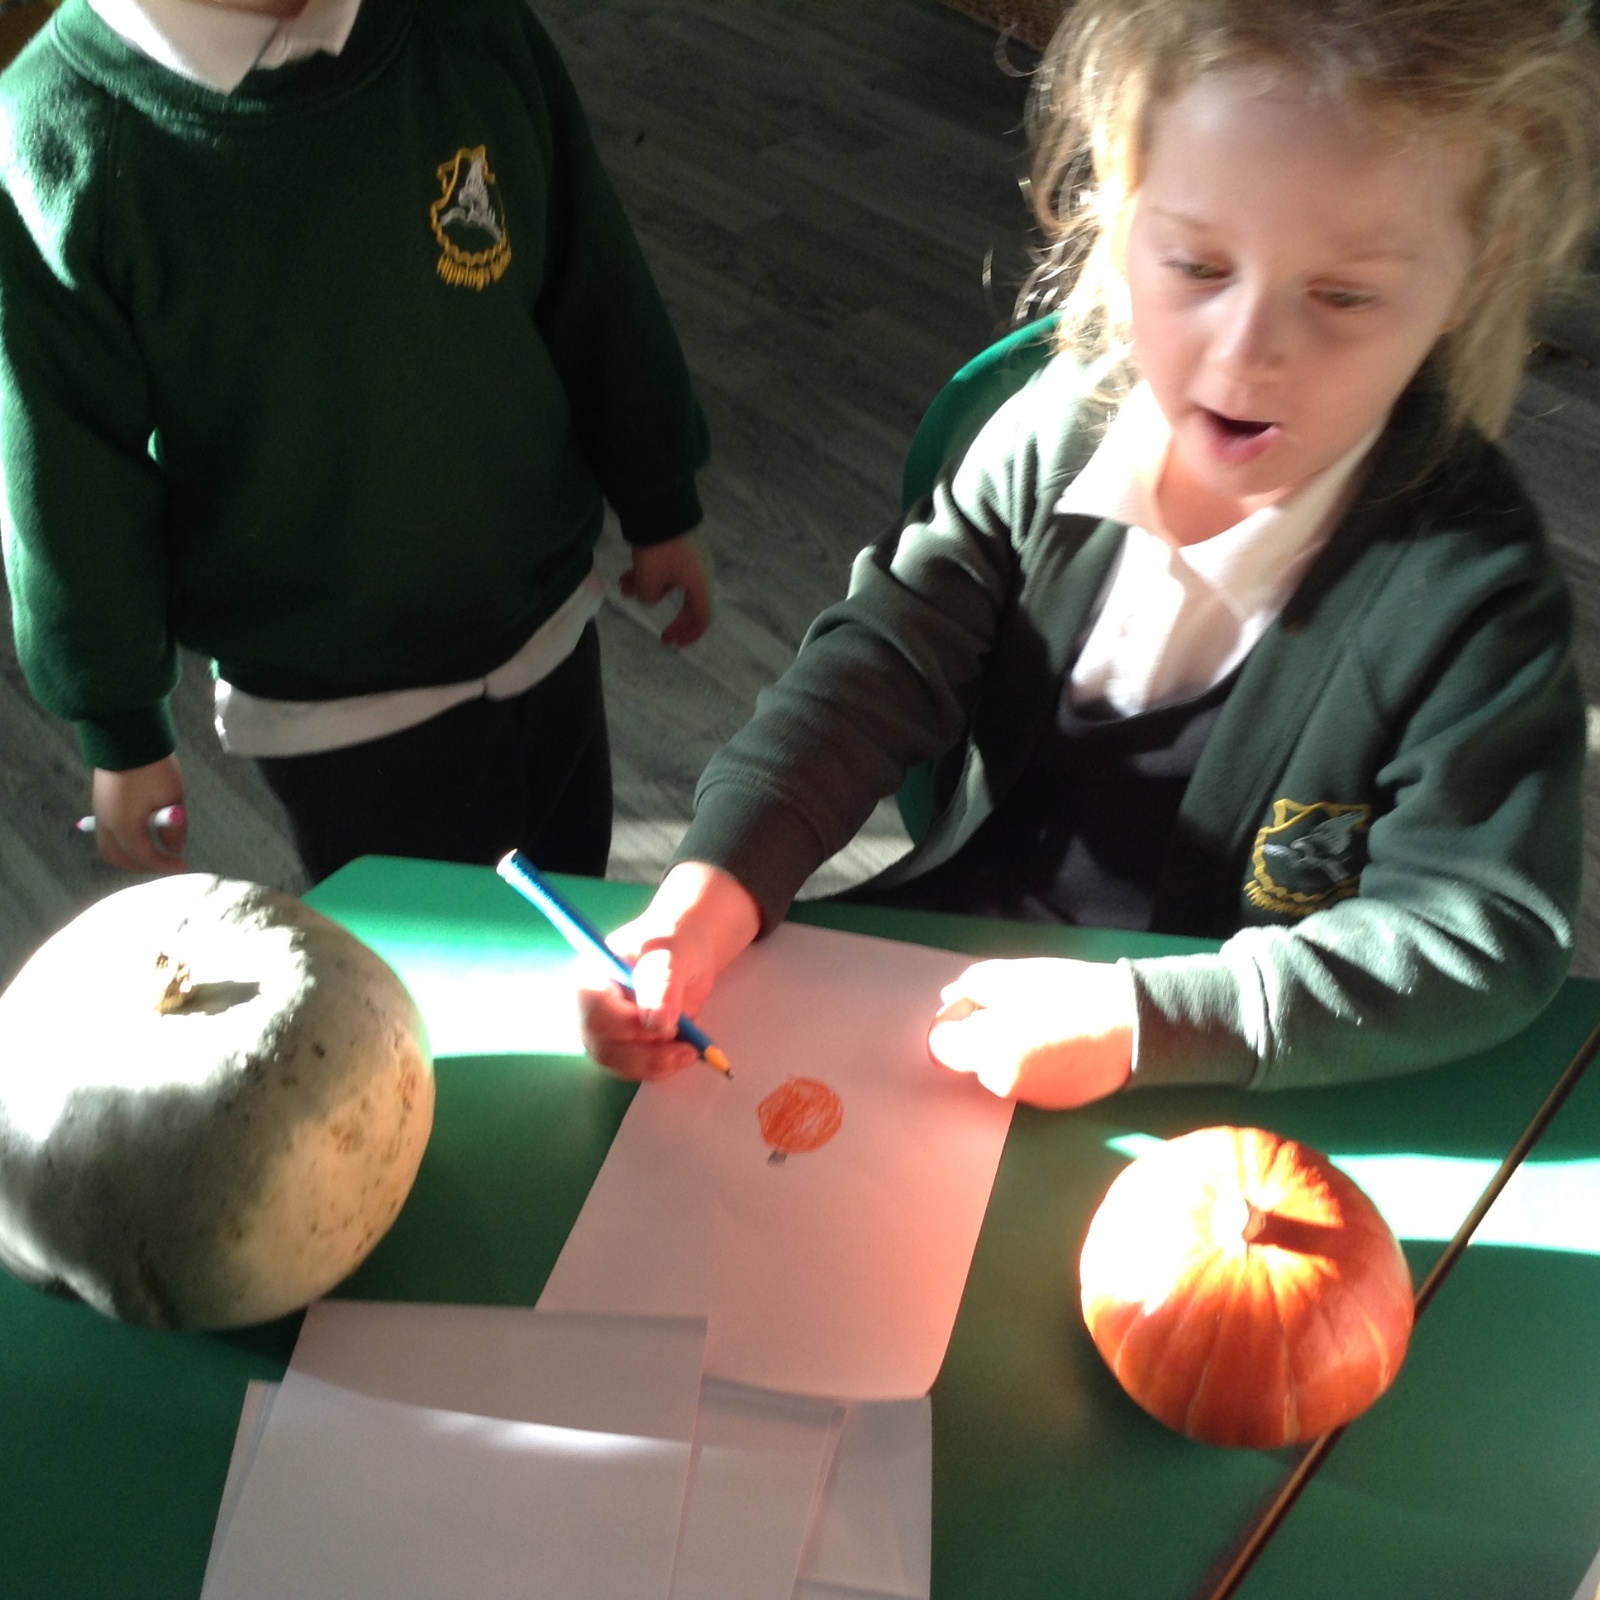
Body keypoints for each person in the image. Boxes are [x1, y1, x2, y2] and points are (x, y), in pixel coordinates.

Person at [580, 0, 1600, 1107]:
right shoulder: (1052, 438)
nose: (1247, 351)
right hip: (943, 996)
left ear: (1474, 273)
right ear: (1119, 208)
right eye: (1197, 265)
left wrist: (1144, 1023)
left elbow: (1480, 932)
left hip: (1220, 1091)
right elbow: (874, 671)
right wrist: (709, 893)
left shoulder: (1473, 599)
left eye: (1344, 294)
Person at [0, 0, 711, 882]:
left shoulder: (469, 31)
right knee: (427, 964)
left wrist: (659, 496)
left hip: (552, 622)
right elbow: (69, 482)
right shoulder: (55, 133)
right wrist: (120, 726)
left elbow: (591, 271)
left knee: (575, 916)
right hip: (338, 711)